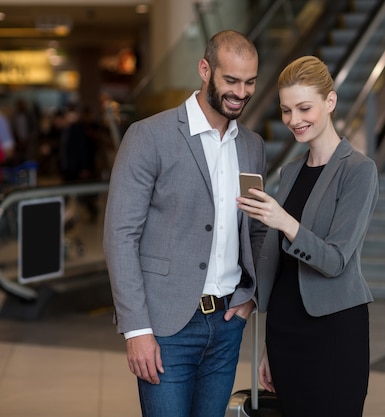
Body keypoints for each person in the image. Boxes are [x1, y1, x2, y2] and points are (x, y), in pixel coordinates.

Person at [103, 30, 266, 417]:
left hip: (227, 324)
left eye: (250, 83)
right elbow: (120, 235)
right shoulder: (149, 136)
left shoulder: (252, 146)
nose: (241, 93)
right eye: (231, 81)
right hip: (165, 327)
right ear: (205, 70)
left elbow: (256, 229)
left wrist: (251, 295)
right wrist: (137, 329)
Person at [237, 55, 379, 417]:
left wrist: (284, 221)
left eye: (304, 108)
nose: (294, 121)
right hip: (286, 329)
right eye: (286, 111)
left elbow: (334, 260)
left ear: (330, 102)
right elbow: (283, 269)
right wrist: (270, 344)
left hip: (333, 330)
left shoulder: (359, 171)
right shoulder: (290, 171)